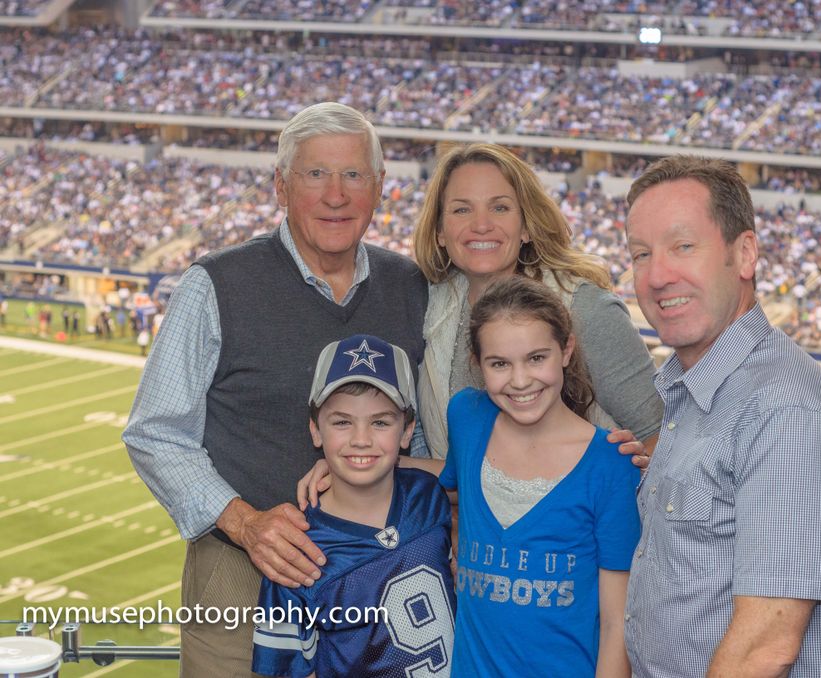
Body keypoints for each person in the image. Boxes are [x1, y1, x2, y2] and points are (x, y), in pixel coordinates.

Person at [123, 102, 428, 676]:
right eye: (315, 174)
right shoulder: (215, 283)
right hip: (244, 573)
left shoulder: (410, 284)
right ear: (281, 187)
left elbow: (426, 431)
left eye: (353, 174)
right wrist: (244, 522)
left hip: (383, 572)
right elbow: (155, 432)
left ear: (380, 186)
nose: (336, 195)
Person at [623, 155, 821, 677]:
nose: (657, 275)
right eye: (641, 254)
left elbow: (765, 649)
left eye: (683, 246)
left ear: (745, 254)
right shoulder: (699, 390)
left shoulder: (787, 412)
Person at [411, 143, 662, 462]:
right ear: (439, 231)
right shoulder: (426, 307)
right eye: (462, 210)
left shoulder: (583, 307)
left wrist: (597, 485)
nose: (481, 225)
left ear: (526, 226)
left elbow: (661, 435)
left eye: (500, 207)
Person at [441, 276, 638, 676]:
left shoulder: (613, 464)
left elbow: (617, 624)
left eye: (536, 358)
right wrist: (343, 469)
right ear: (478, 364)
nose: (520, 380)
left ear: (566, 350)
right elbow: (449, 491)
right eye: (499, 363)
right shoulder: (466, 417)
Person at [252, 335, 455, 677]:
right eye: (342, 422)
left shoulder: (427, 495)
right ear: (316, 430)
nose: (361, 439)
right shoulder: (295, 553)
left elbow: (481, 480)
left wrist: (385, 460)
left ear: (408, 431)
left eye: (380, 422)